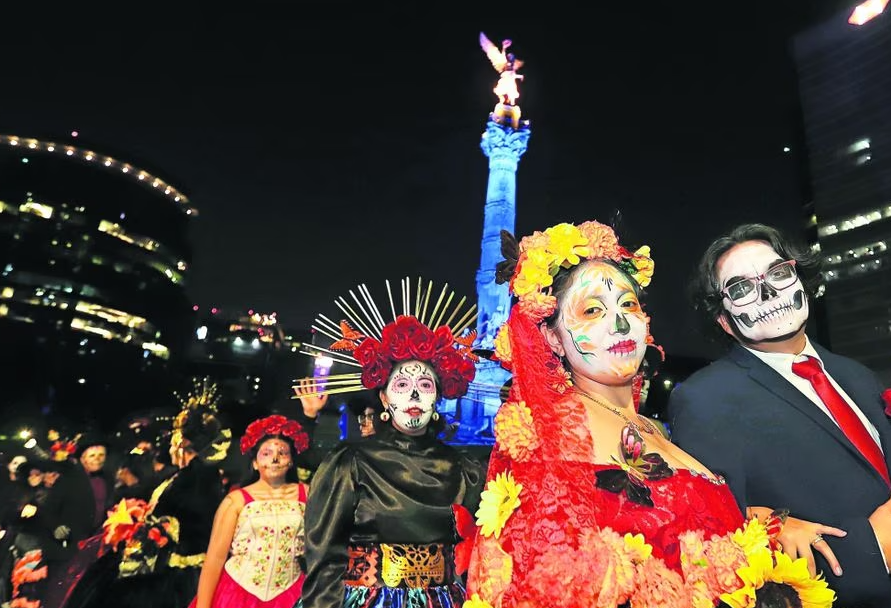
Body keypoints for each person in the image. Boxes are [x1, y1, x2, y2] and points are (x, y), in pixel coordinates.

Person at [465, 221, 836, 608]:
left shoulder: (651, 427)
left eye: (628, 304)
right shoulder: (553, 433)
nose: (620, 322)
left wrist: (765, 523)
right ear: (554, 338)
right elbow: (542, 579)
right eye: (593, 310)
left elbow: (685, 524)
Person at [669, 222, 891, 607]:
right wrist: (874, 547)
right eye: (740, 288)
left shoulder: (857, 374)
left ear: (800, 280)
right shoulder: (704, 399)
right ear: (723, 320)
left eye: (778, 273)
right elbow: (720, 544)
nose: (768, 292)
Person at [294, 278, 483, 608]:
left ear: (438, 396)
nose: (413, 394)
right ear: (383, 398)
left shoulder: (464, 468)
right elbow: (324, 555)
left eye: (424, 384)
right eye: (402, 384)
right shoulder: (350, 462)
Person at [60, 382, 232, 608]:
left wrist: (147, 534)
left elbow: (186, 525)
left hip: (175, 576)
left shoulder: (196, 480)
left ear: (181, 444)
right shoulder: (188, 476)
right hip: (170, 568)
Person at [192, 415, 311, 608]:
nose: (275, 458)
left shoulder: (307, 494)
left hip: (291, 593)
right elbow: (215, 558)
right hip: (238, 593)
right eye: (266, 453)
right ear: (255, 463)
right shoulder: (237, 500)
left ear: (291, 461)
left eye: (282, 452)